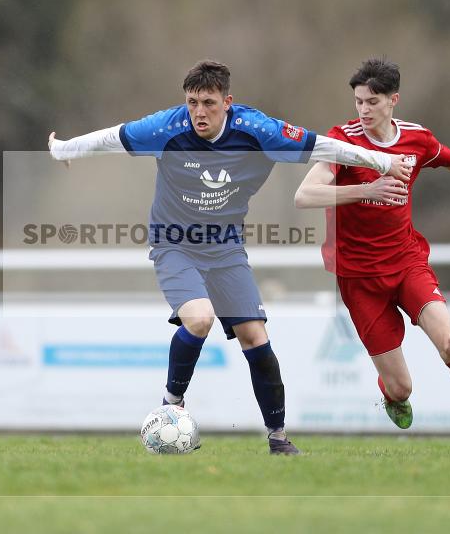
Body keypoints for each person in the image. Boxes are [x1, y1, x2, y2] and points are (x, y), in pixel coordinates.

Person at [49, 60, 412, 454]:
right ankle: (171, 406)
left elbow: (320, 146)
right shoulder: (167, 127)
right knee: (200, 318)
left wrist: (381, 161)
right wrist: (64, 148)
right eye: (192, 103)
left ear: (227, 102)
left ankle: (278, 438)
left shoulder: (258, 130)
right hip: (174, 245)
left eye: (208, 102)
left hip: (225, 247)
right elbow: (115, 137)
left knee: (255, 336)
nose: (199, 112)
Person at [294, 58, 450, 457]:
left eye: (372, 102)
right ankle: (391, 394)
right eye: (358, 102)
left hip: (407, 264)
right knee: (402, 388)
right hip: (360, 279)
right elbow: (304, 196)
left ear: (393, 100)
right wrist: (366, 190)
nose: (363, 110)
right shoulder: (343, 142)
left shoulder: (416, 139)